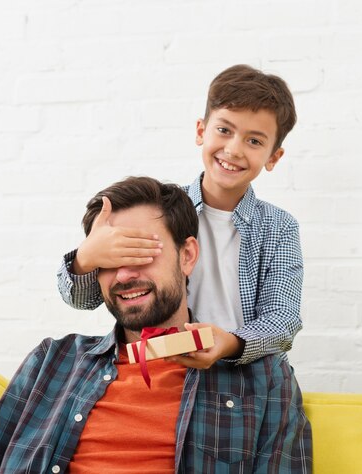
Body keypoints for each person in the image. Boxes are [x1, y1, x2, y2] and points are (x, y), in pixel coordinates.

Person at [0, 177, 312, 473]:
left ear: (187, 256)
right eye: (110, 258)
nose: (126, 274)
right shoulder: (51, 361)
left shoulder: (263, 381)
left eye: (143, 252)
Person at [57, 64, 303, 369]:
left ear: (274, 157)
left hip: (248, 374)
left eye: (254, 141)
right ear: (201, 131)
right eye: (224, 130)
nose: (234, 149)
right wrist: (86, 259)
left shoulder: (279, 227)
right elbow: (85, 299)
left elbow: (283, 318)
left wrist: (230, 343)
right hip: (170, 370)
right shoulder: (161, 212)